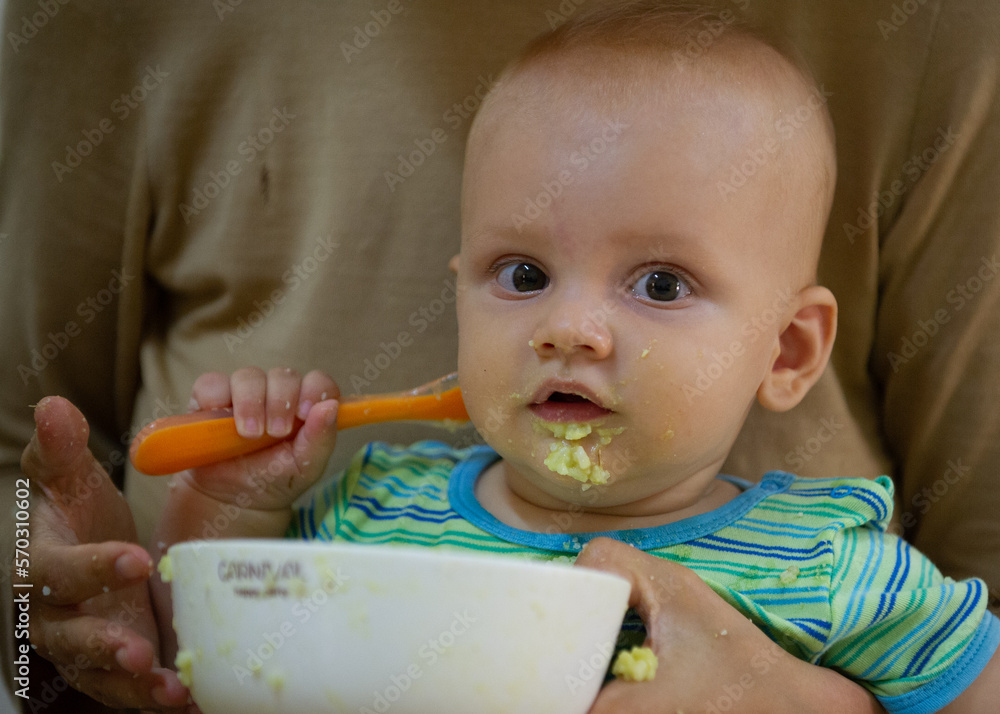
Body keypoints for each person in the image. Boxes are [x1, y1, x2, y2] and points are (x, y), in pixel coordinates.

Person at [8, 0, 1000, 712]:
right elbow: (209, 666)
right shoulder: (369, 509)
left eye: (658, 285)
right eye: (522, 275)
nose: (567, 329)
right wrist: (231, 506)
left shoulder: (831, 569)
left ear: (785, 352)